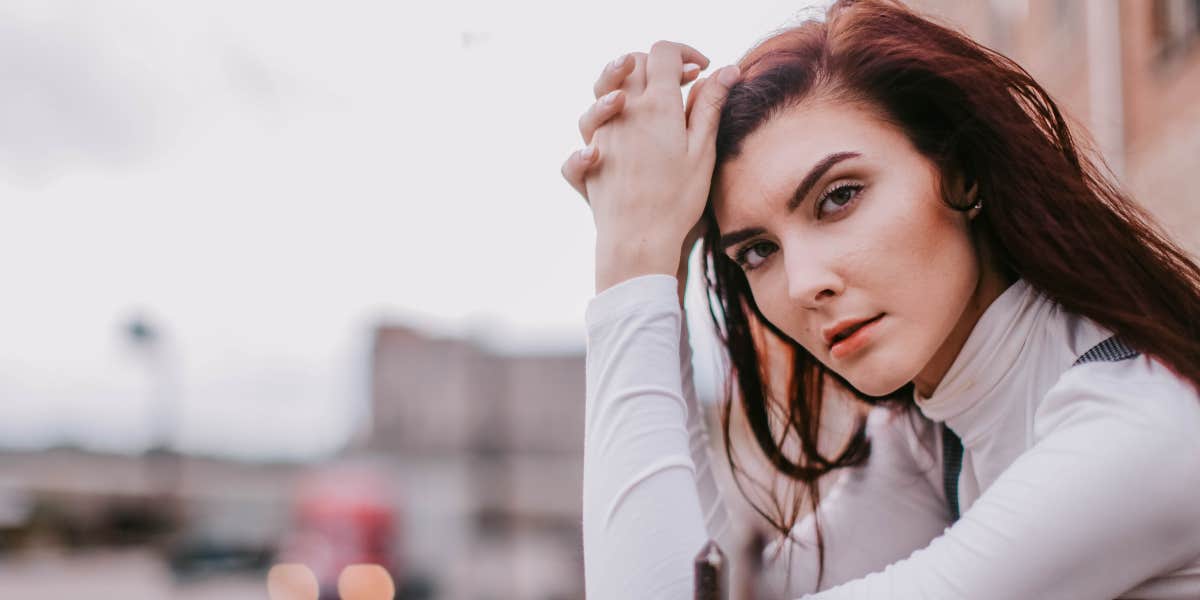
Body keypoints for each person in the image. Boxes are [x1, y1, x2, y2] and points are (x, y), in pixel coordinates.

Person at [559, 0, 1200, 598]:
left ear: (960, 170)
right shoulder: (933, 439)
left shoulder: (1134, 428)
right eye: (757, 251)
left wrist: (629, 265)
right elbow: (726, 587)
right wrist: (657, 262)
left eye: (839, 197)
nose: (805, 283)